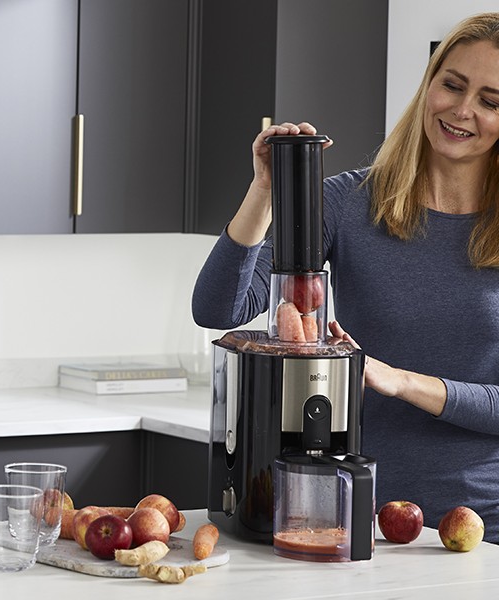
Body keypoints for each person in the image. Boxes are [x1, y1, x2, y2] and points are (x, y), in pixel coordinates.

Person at [191, 12, 499, 543]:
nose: (462, 109)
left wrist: (400, 381)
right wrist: (265, 191)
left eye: (491, 101)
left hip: (483, 527)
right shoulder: (349, 203)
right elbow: (219, 309)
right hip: (356, 519)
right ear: (429, 85)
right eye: (452, 85)